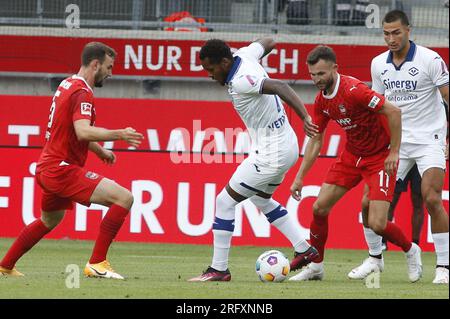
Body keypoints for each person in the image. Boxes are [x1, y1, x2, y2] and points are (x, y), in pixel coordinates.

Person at [0, 42, 144, 280]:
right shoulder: (82, 92)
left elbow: (71, 130)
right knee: (124, 197)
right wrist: (120, 134)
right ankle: (97, 262)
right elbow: (83, 131)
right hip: (61, 169)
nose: (111, 72)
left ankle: (5, 265)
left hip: (48, 166)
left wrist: (99, 151)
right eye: (109, 67)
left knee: (49, 219)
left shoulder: (67, 84)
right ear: (95, 64)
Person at [188, 38, 320, 282]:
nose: (209, 74)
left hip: (272, 153)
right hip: (286, 145)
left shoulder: (240, 81)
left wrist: (305, 117)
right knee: (261, 199)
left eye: (211, 69)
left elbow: (280, 85)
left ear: (225, 62)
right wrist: (264, 46)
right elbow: (268, 41)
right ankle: (304, 249)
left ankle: (219, 269)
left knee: (224, 202)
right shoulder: (245, 55)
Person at [289, 45, 422, 283]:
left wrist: (394, 152)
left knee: (377, 223)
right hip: (352, 156)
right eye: (312, 74)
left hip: (380, 157)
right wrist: (300, 176)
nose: (317, 79)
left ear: (334, 69)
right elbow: (316, 139)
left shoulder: (354, 90)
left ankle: (411, 250)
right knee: (319, 208)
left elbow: (393, 112)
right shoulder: (321, 101)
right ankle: (316, 266)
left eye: (321, 73)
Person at [350, 10, 449, 284]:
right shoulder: (377, 64)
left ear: (408, 30)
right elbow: (378, 105)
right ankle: (374, 259)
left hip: (429, 139)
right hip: (395, 143)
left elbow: (448, 98)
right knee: (369, 202)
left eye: (396, 32)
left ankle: (444, 267)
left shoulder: (431, 59)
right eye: (386, 33)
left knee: (431, 197)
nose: (391, 39)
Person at [382, 164, 424, 251]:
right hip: (402, 156)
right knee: (391, 201)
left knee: (418, 203)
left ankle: (415, 244)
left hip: (419, 159)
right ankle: (383, 242)